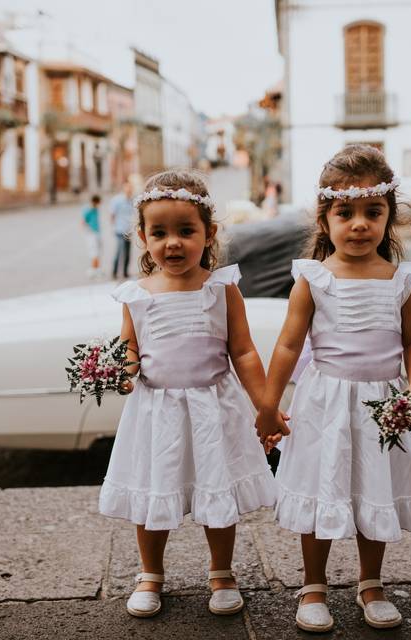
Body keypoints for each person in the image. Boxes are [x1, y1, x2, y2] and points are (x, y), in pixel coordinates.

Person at [256, 145, 411, 632]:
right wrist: (269, 406)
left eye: (373, 213)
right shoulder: (313, 279)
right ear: (324, 219)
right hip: (325, 402)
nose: (359, 224)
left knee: (371, 487)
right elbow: (289, 346)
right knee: (324, 488)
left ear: (389, 217)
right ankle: (313, 585)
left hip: (383, 405)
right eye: (346, 213)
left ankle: (370, 582)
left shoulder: (402, 279)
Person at [98, 169, 280, 618]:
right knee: (151, 491)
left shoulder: (221, 288)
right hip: (156, 410)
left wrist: (267, 407)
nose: (172, 243)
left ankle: (221, 573)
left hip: (212, 408)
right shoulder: (137, 295)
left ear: (208, 233)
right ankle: (150, 574)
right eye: (159, 233)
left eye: (185, 231)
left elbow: (244, 352)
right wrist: (122, 371)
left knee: (217, 493)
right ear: (142, 237)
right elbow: (130, 346)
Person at [109, 181, 135, 279]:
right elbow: (112, 215)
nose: (129, 190)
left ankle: (125, 272)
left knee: (128, 252)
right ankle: (114, 272)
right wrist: (114, 227)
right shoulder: (117, 200)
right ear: (124, 188)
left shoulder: (132, 200)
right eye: (127, 188)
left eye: (130, 188)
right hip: (119, 230)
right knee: (119, 251)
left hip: (128, 230)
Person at [82, 194, 102, 279]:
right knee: (94, 252)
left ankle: (97, 269)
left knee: (98, 252)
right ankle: (93, 270)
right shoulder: (88, 209)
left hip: (96, 233)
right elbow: (83, 222)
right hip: (91, 234)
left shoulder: (95, 209)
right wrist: (89, 231)